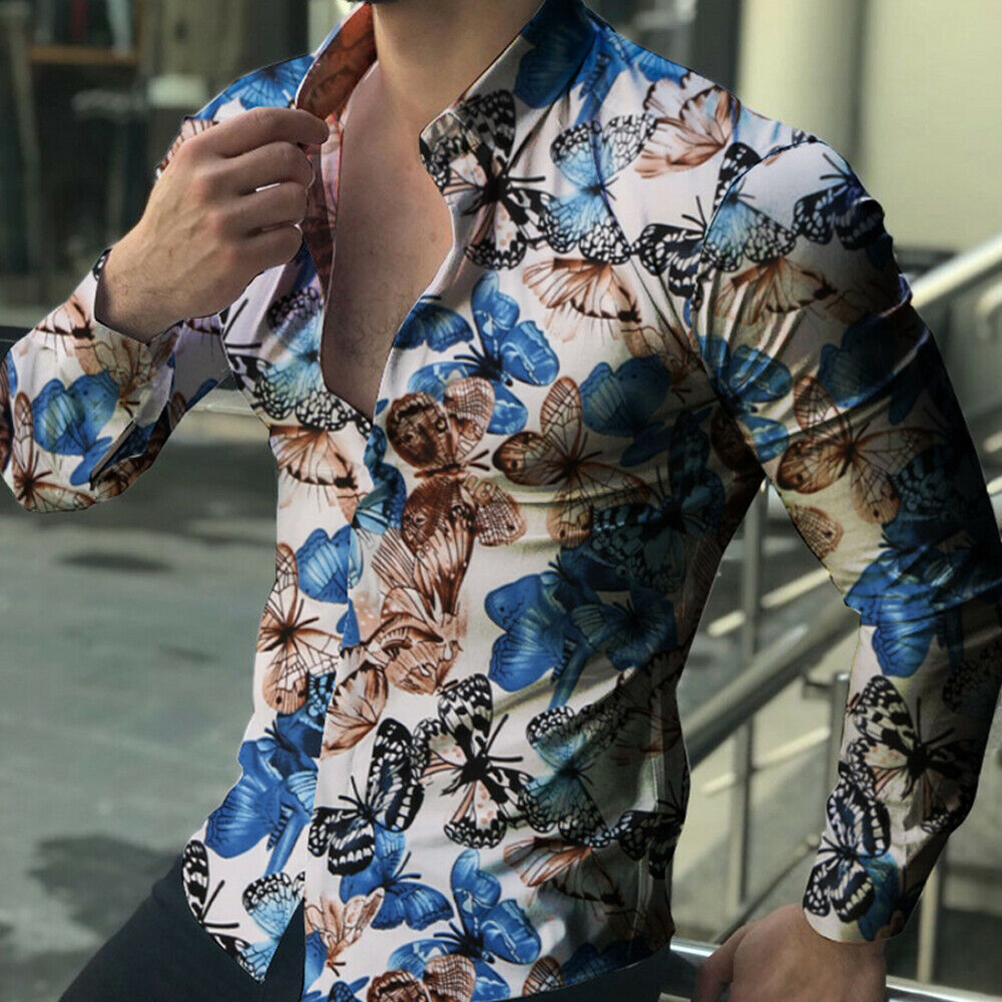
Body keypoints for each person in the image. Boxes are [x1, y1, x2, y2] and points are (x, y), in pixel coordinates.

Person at [2, 0, 1000, 1000]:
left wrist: (846, 915)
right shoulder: (254, 137)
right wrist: (135, 283)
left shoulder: (740, 194)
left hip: (509, 951)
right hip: (253, 889)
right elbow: (42, 463)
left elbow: (934, 578)